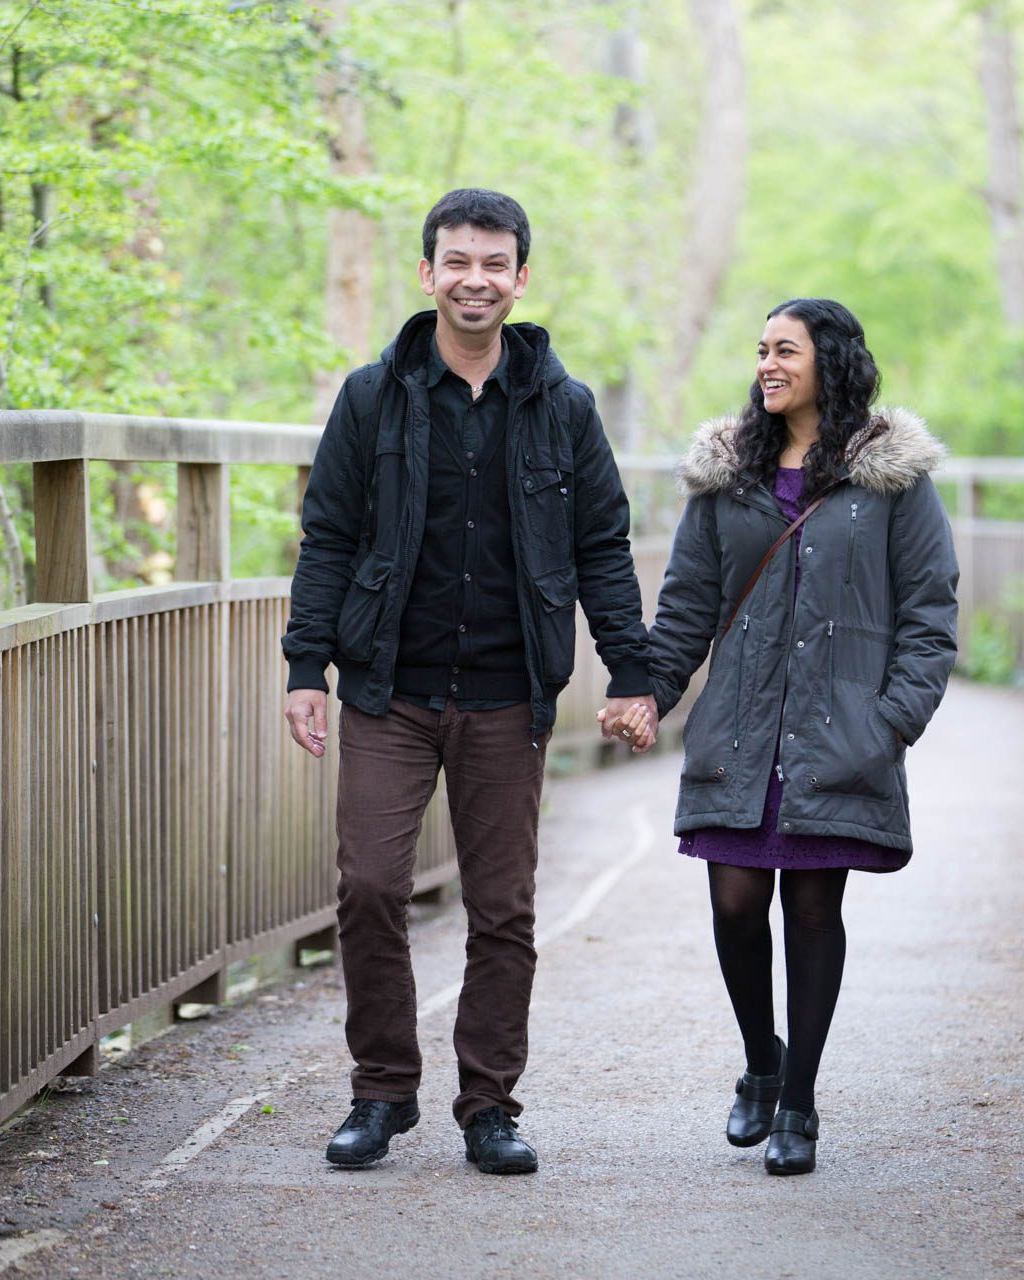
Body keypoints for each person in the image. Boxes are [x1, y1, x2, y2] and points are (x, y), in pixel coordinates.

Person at [282, 188, 657, 1176]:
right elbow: (326, 535)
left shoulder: (563, 409)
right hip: (387, 688)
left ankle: (488, 1100)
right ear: (428, 272)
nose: (476, 279)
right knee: (368, 885)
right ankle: (382, 1088)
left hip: (505, 694)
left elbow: (602, 549)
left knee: (503, 907)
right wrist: (303, 665)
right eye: (458, 261)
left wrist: (634, 670)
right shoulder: (372, 397)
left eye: (495, 263)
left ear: (521, 278)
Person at [605, 297, 958, 1175]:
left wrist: (890, 724)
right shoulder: (729, 475)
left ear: (827, 362)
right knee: (732, 901)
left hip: (840, 733)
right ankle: (761, 1065)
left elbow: (930, 612)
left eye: (785, 350)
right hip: (741, 728)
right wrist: (648, 691)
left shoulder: (891, 479)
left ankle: (799, 1101)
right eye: (761, 349)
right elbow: (688, 604)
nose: (767, 363)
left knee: (810, 906)